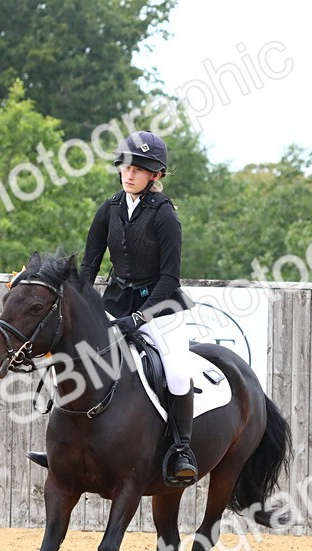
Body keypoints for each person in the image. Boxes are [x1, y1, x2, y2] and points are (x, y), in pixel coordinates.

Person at [28, 130, 199, 487]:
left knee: (178, 373)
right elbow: (88, 269)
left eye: (138, 168)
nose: (129, 173)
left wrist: (140, 317)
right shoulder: (109, 209)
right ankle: (66, 448)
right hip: (115, 303)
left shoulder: (165, 216)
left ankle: (181, 449)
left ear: (155, 175)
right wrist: (79, 305)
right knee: (80, 358)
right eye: (125, 166)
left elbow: (170, 278)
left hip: (161, 309)